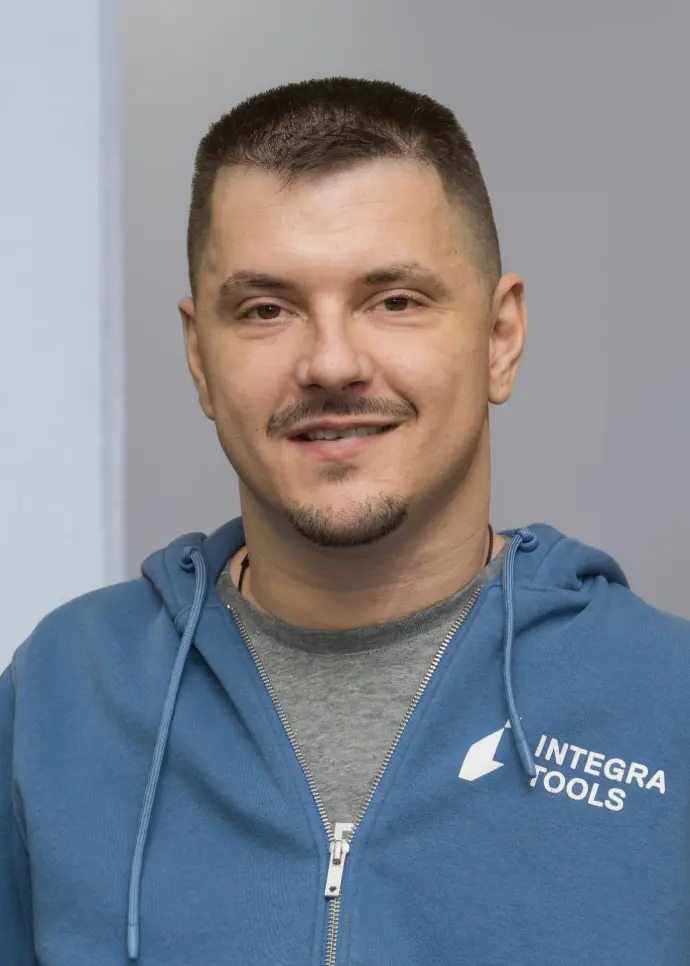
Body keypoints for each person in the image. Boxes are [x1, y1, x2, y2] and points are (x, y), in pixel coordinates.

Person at [2, 76, 688, 966]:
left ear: (499, 337)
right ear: (199, 356)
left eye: (394, 300)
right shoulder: (60, 699)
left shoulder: (667, 701)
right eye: (266, 310)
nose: (331, 363)